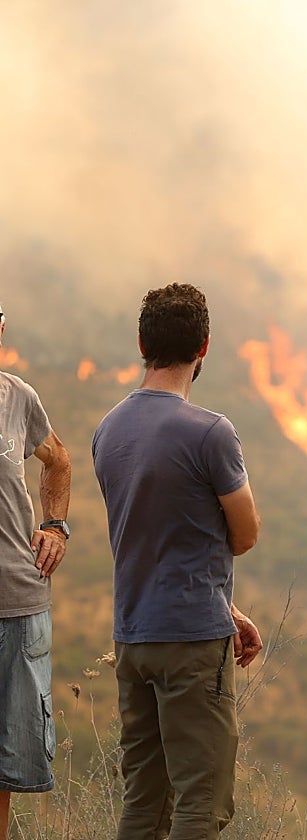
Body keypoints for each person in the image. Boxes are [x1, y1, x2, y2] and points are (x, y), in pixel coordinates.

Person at [92, 283, 263, 840]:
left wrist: (228, 607)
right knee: (200, 804)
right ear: (204, 347)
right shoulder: (211, 432)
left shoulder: (107, 430)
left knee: (143, 804)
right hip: (191, 640)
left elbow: (151, 535)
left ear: (142, 342)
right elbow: (245, 534)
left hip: (134, 637)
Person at [0, 303, 71, 840]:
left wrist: (56, 527)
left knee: (6, 768)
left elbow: (59, 460)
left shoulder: (17, 398)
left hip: (18, 605)